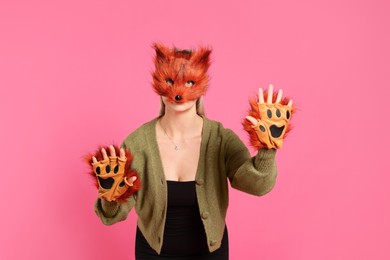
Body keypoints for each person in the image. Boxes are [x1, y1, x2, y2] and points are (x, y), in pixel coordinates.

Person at [89, 43, 294, 259]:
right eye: (170, 81)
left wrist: (267, 149)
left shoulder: (220, 139)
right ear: (159, 83)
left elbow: (258, 185)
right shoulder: (137, 143)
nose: (179, 93)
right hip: (151, 252)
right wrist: (110, 196)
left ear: (202, 86)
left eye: (189, 82)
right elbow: (111, 216)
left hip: (210, 253)